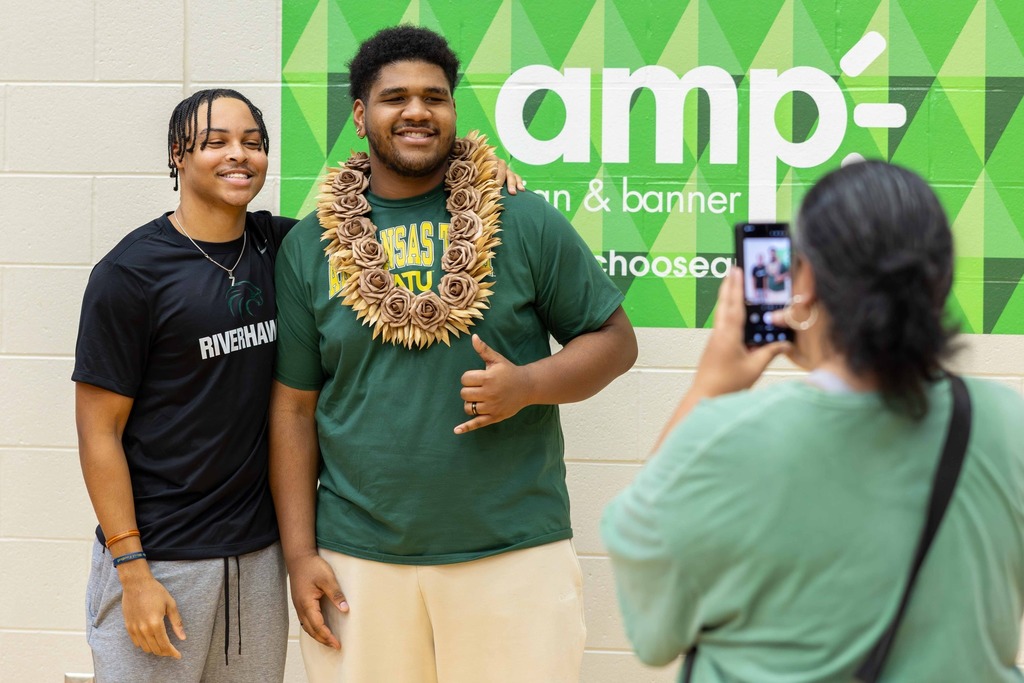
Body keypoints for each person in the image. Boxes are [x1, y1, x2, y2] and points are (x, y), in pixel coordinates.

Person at [72, 86, 529, 681]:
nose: (239, 155)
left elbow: (383, 205)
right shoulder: (130, 274)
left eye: (253, 143)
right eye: (216, 142)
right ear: (177, 157)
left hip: (257, 557)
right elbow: (97, 433)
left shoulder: (283, 246)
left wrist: (467, 169)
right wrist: (131, 569)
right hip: (162, 557)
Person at [270, 24, 638, 683]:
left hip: (511, 552)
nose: (417, 110)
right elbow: (294, 409)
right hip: (360, 559)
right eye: (395, 97)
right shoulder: (310, 245)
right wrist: (300, 553)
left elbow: (614, 341)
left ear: (452, 112)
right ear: (361, 115)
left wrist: (528, 383)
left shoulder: (522, 218)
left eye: (435, 97)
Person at [602, 161, 1024, 682]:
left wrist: (709, 386)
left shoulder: (727, 438)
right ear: (939, 281)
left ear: (804, 280)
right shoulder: (1008, 425)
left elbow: (650, 626)